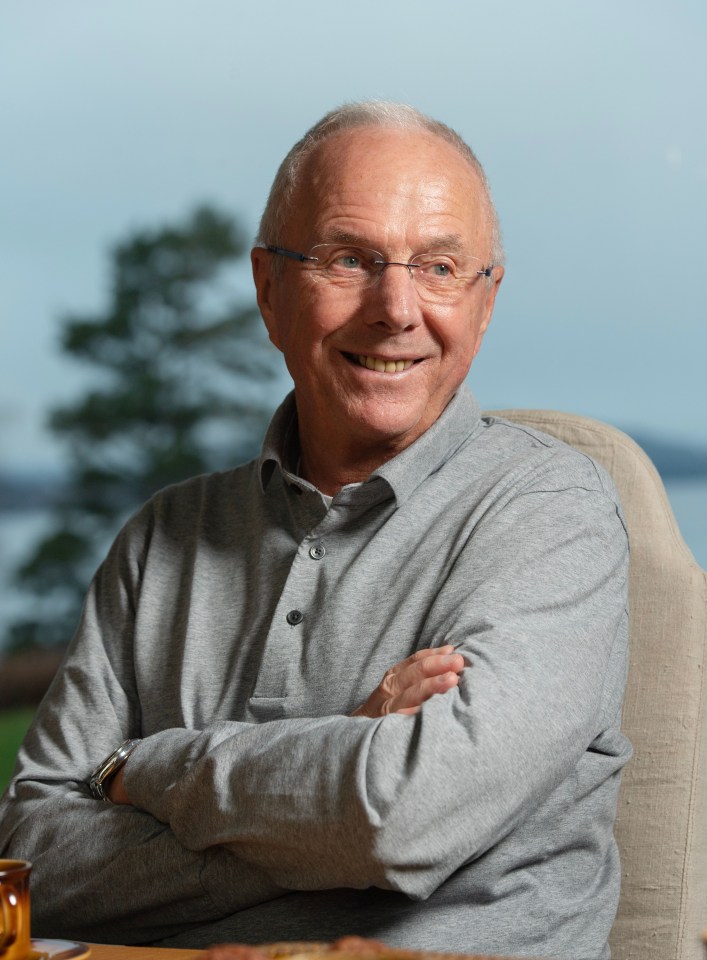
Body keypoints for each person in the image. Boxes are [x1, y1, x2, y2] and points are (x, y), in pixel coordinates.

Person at [0, 102, 631, 960]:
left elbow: (398, 818)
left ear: (484, 303)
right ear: (268, 288)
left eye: (440, 266)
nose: (397, 308)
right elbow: (31, 858)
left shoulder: (551, 514)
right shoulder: (164, 537)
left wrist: (138, 771)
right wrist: (332, 776)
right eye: (349, 259)